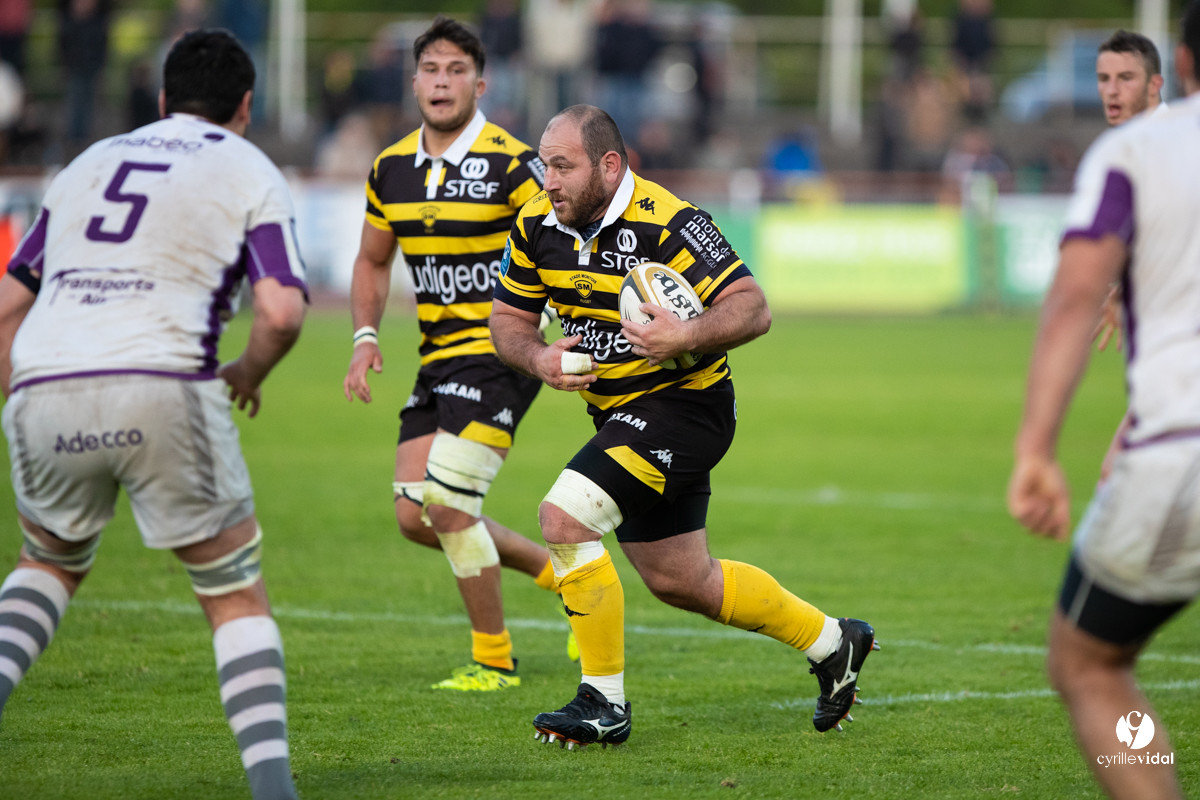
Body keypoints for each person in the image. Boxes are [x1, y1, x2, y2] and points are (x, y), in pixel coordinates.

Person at [490, 104, 879, 748]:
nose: (548, 180)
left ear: (610, 166)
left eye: (563, 166)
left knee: (565, 516)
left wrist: (684, 334)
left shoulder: (671, 222)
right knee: (682, 582)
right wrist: (539, 358)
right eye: (544, 165)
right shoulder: (537, 224)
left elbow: (753, 308)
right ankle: (834, 642)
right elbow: (508, 320)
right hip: (620, 414)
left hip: (688, 407)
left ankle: (602, 703)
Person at [0, 29, 305, 800]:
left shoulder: (86, 165)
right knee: (232, 590)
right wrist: (246, 371)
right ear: (245, 106)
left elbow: (7, 304)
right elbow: (281, 310)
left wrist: (27, 397)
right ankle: (274, 790)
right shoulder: (249, 166)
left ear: (163, 99)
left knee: (48, 562)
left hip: (42, 383)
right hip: (162, 380)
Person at [342, 15, 572, 693]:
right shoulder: (390, 168)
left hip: (501, 351)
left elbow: (561, 244)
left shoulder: (514, 162)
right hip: (437, 356)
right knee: (416, 517)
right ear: (413, 81)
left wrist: (568, 328)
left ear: (481, 82)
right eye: (431, 70)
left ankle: (494, 659)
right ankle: (561, 574)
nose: (442, 83)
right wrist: (363, 338)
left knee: (446, 506)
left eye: (456, 71)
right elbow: (371, 260)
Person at [1007, 4, 1200, 798]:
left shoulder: (1136, 152)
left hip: (1180, 448)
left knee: (1088, 661)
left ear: (1180, 65)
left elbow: (1073, 295)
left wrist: (1035, 449)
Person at [1092, 30, 1165, 479]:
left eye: (1126, 78)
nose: (1111, 91)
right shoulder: (1129, 152)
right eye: (1103, 78)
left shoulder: (1178, 144)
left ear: (1156, 84)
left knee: (1117, 476)